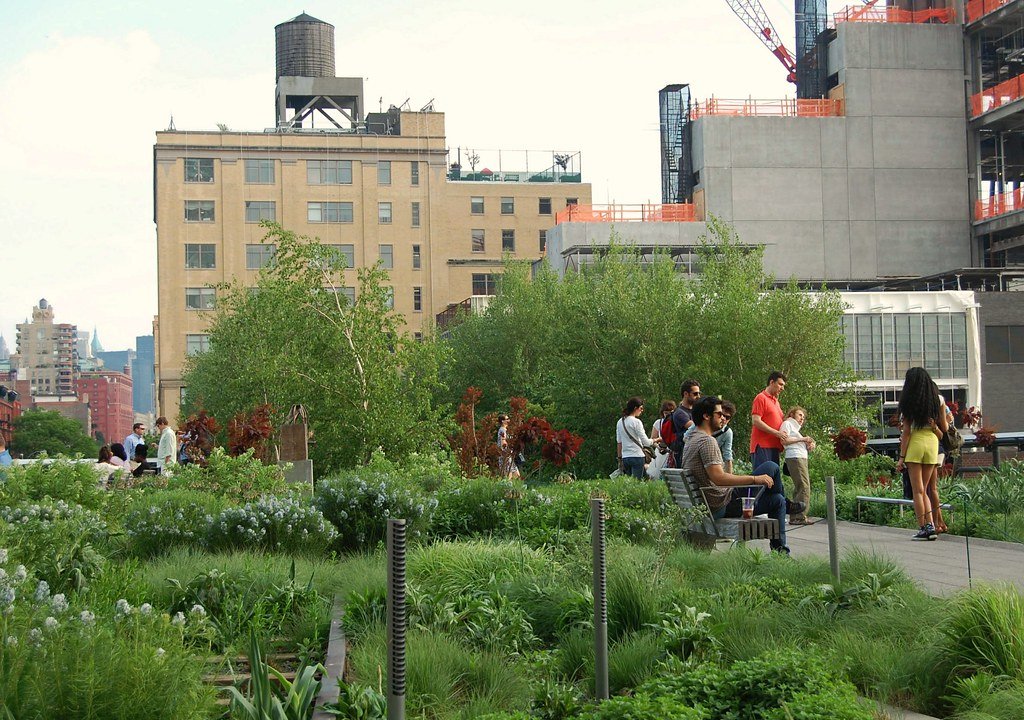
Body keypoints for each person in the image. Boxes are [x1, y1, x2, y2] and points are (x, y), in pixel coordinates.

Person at [681, 395, 798, 554]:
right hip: (721, 503)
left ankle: (784, 511)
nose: (723, 418)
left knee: (777, 500)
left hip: (709, 500)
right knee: (771, 467)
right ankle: (781, 551)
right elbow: (719, 478)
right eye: (719, 414)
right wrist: (755, 479)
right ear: (706, 416)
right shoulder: (707, 441)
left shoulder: (691, 439)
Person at [895, 367, 948, 541]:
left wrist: (901, 458)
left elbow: (907, 432)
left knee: (918, 491)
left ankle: (924, 527)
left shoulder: (908, 401)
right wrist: (933, 427)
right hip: (932, 443)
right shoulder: (939, 400)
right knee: (926, 489)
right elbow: (945, 428)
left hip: (916, 444)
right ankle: (931, 525)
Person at [780, 407, 816, 526]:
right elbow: (784, 441)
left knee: (800, 486)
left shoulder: (796, 430)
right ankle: (799, 517)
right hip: (795, 457)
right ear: (791, 414)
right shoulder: (787, 424)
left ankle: (796, 515)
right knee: (804, 486)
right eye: (800, 415)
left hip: (800, 457)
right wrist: (803, 439)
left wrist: (808, 444)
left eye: (803, 417)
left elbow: (795, 441)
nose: (802, 419)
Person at [684, 399, 736, 472]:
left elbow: (727, 454)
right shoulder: (706, 438)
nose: (723, 418)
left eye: (727, 417)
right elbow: (686, 438)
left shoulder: (727, 432)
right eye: (720, 414)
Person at [750, 371, 788, 469]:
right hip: (762, 446)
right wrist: (777, 433)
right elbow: (756, 421)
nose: (782, 388)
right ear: (771, 382)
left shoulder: (776, 402)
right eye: (780, 384)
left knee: (773, 481)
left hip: (774, 447)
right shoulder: (761, 398)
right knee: (763, 479)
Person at [616, 397, 656, 479]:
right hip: (637, 456)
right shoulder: (636, 422)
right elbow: (646, 442)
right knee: (637, 483)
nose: (642, 410)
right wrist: (656, 439)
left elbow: (619, 442)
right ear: (635, 408)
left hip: (625, 457)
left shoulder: (620, 422)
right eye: (641, 408)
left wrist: (620, 459)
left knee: (633, 482)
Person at [669, 380, 701, 466]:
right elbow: (696, 427)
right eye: (695, 394)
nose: (698, 396)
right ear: (686, 394)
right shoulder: (680, 413)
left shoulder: (695, 411)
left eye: (699, 393)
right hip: (683, 453)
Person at [496, 414, 521, 479]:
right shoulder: (502, 430)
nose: (508, 420)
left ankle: (511, 486)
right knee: (508, 473)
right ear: (502, 421)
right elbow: (503, 442)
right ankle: (507, 487)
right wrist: (506, 451)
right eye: (507, 419)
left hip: (509, 455)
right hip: (505, 455)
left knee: (516, 475)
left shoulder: (506, 430)